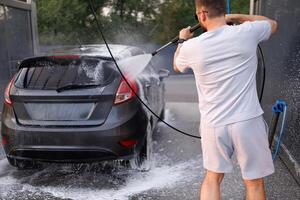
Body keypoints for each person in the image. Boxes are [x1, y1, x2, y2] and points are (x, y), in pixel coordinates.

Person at [173, 0, 278, 199]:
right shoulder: (247, 32)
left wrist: (182, 39)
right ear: (223, 12)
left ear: (202, 15)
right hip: (248, 122)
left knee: (212, 178)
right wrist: (237, 17)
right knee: (254, 183)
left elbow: (177, 65)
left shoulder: (192, 46)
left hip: (213, 125)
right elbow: (272, 23)